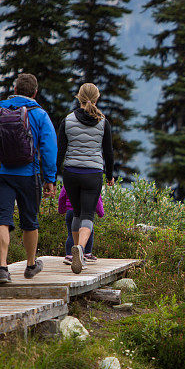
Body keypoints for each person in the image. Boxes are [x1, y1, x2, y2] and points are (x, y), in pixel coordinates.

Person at [0, 73, 58, 284]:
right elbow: (49, 149)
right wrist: (49, 179)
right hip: (29, 175)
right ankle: (31, 265)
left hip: (2, 173)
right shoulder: (40, 115)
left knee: (2, 220)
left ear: (14, 91)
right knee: (30, 222)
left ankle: (3, 268)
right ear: (35, 92)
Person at [57, 83, 114, 274]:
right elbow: (108, 152)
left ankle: (74, 252)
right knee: (88, 215)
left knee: (77, 213)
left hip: (71, 173)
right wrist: (110, 175)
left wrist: (56, 173)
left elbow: (61, 151)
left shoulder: (67, 120)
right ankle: (80, 249)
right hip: (93, 173)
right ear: (96, 99)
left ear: (78, 97)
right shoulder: (103, 122)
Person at [58, 185, 104, 265]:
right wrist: (100, 213)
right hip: (86, 211)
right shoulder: (91, 181)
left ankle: (69, 255)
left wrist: (61, 210)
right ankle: (87, 253)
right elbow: (97, 199)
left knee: (71, 234)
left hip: (70, 211)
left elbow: (62, 196)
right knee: (88, 232)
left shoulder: (70, 180)